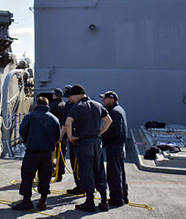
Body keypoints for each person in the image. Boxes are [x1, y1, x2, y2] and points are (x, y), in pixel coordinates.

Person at [65, 84, 112, 212]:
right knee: (99, 169)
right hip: (97, 142)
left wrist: (70, 137)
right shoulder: (98, 105)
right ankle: (104, 201)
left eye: (72, 96)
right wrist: (99, 133)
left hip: (84, 142)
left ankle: (90, 202)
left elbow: (68, 123)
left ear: (77, 95)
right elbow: (108, 121)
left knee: (86, 171)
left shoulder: (77, 107)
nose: (71, 99)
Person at [12, 97, 60, 212]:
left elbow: (22, 132)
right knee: (45, 177)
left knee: (27, 175)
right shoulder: (54, 119)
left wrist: (29, 140)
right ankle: (43, 201)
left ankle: (26, 201)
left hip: (32, 151)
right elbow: (57, 137)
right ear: (47, 105)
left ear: (37, 105)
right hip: (47, 153)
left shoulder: (30, 117)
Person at [100, 90, 129, 207]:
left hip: (114, 146)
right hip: (119, 146)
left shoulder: (114, 112)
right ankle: (123, 196)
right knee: (120, 172)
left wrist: (100, 135)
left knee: (113, 174)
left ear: (112, 99)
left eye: (105, 98)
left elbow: (114, 131)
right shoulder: (119, 109)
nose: (103, 100)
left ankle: (116, 199)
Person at [49, 88, 67, 180]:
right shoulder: (65, 105)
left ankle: (52, 171)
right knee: (61, 154)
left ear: (54, 95)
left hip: (52, 134)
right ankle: (60, 172)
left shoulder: (51, 106)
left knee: (51, 154)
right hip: (64, 134)